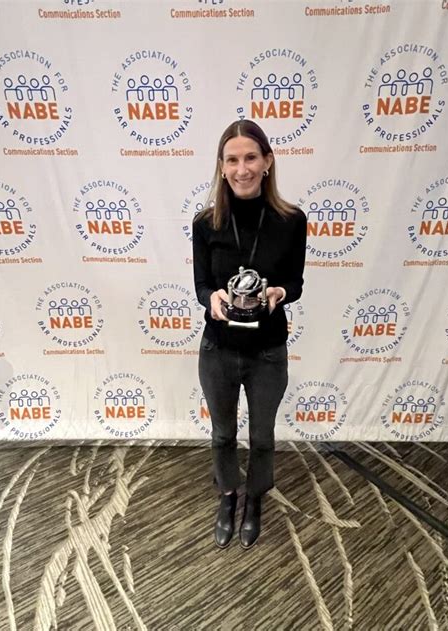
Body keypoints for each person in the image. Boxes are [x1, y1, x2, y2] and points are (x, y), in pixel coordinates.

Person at [192, 120, 306, 549]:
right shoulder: (206, 223)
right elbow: (201, 284)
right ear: (222, 167)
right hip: (218, 349)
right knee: (222, 434)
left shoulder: (291, 220)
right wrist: (212, 298)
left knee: (262, 438)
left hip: (268, 352)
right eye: (233, 160)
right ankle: (228, 494)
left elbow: (295, 282)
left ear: (267, 161)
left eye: (251, 158)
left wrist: (279, 292)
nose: (242, 169)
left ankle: (255, 497)